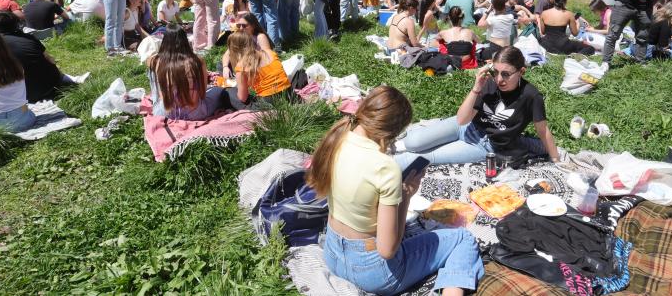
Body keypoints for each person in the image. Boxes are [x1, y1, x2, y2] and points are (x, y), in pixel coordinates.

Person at [307, 86, 483, 296]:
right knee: (462, 239)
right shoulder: (384, 167)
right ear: (392, 132)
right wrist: (406, 196)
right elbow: (387, 249)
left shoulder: (337, 140)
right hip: (372, 272)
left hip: (333, 254)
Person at [395, 46, 560, 169]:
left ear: (521, 72)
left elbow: (543, 130)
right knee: (412, 142)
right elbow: (461, 120)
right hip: (466, 126)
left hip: (483, 145)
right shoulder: (489, 84)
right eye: (496, 72)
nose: (499, 79)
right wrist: (476, 87)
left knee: (425, 158)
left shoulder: (531, 95)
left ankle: (381, 169)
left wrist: (556, 160)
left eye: (506, 74)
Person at [0, 11, 84, 103]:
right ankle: (67, 78)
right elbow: (50, 59)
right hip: (52, 85)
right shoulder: (28, 37)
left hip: (25, 95)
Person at [146, 24, 223, 120]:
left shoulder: (155, 61)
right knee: (219, 91)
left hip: (164, 113)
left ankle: (159, 100)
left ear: (164, 41)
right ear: (185, 40)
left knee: (152, 73)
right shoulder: (197, 61)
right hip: (194, 114)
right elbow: (202, 94)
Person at [225, 31, 291, 109]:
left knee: (230, 92)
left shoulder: (241, 67)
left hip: (269, 102)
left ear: (233, 48)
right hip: (289, 94)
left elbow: (243, 98)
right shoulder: (270, 53)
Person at [221, 12, 274, 78]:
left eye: (244, 26)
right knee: (221, 65)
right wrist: (225, 67)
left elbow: (267, 57)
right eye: (238, 25)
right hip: (242, 66)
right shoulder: (240, 36)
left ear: (253, 25)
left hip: (256, 67)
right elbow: (227, 53)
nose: (241, 28)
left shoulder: (260, 37)